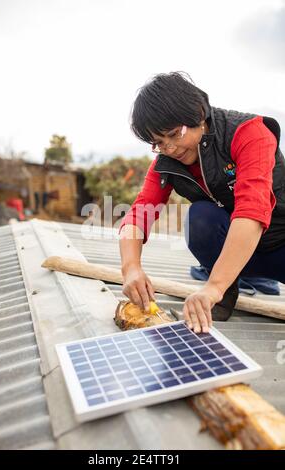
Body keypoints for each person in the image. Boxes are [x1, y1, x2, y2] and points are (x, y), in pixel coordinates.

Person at [118, 71, 285, 334]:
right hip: (236, 260)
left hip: (279, 247)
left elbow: (251, 211)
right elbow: (139, 213)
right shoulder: (167, 164)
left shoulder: (249, 133)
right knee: (201, 217)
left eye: (174, 134)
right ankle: (227, 292)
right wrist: (131, 268)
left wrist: (212, 286)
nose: (170, 148)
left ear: (198, 112)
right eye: (159, 143)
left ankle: (223, 284)